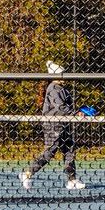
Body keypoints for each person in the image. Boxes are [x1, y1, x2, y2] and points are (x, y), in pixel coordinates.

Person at [21, 61, 87, 191]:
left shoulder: (63, 89)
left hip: (63, 123)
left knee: (69, 150)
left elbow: (66, 108)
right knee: (50, 152)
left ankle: (72, 179)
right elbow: (60, 107)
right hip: (53, 124)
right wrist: (75, 113)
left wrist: (80, 111)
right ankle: (27, 173)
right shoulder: (53, 88)